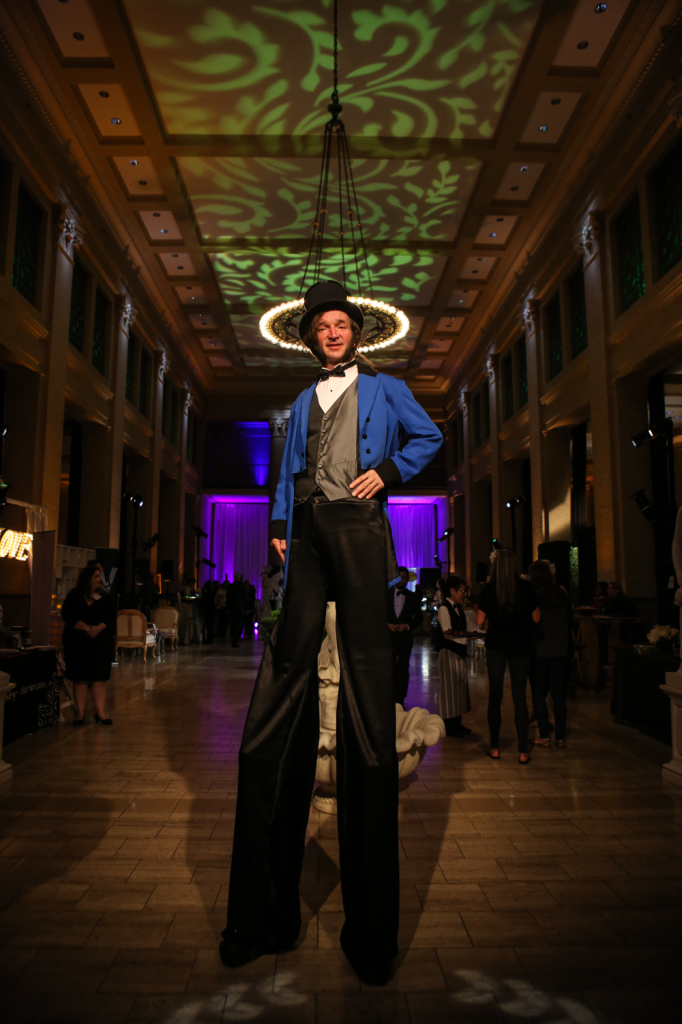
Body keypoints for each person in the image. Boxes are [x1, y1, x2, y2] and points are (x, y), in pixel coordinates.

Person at [221, 279, 442, 985]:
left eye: (343, 324)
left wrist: (386, 471)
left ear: (357, 332)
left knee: (368, 689)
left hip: (358, 528)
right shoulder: (298, 400)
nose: (334, 333)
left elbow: (429, 437)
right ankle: (264, 917)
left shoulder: (383, 387)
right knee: (287, 670)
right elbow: (286, 474)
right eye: (324, 326)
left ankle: (369, 937)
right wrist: (281, 528)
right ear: (312, 335)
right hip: (308, 535)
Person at [476, 548, 540, 764]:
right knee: (520, 698)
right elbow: (537, 618)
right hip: (521, 647)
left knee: (495, 696)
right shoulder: (526, 587)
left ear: (495, 566)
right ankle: (523, 752)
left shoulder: (489, 589)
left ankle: (495, 748)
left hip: (496, 646)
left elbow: (478, 621)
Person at [61, 565, 116, 725]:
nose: (100, 580)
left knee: (99, 678)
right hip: (78, 642)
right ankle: (80, 714)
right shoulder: (74, 596)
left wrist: (98, 628)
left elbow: (110, 617)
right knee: (81, 678)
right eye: (96, 577)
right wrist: (86, 628)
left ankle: (100, 713)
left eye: (100, 576)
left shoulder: (104, 598)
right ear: (87, 579)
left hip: (100, 643)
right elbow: (68, 615)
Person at [528, 560, 572, 749]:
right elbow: (570, 620)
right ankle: (560, 737)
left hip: (539, 650)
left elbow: (531, 623)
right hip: (561, 650)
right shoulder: (562, 594)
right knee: (559, 695)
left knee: (538, 693)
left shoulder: (534, 596)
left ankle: (544, 736)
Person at [437, 574, 472, 737]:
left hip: (458, 654)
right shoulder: (444, 608)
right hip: (449, 653)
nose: (463, 595)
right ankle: (449, 726)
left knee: (458, 689)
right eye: (461, 591)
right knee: (449, 691)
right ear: (452, 591)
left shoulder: (460, 610)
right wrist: (466, 638)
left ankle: (457, 724)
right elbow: (446, 632)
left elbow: (469, 627)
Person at [387, 566, 422, 706]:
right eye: (399, 577)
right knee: (389, 667)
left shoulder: (413, 597)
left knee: (403, 667)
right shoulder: (386, 594)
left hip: (405, 639)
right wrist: (387, 625)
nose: (401, 580)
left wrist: (407, 626)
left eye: (404, 578)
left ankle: (400, 698)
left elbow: (419, 618)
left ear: (408, 579)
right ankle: (389, 695)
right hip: (389, 638)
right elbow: (378, 614)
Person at [227, 573, 246, 647]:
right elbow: (245, 598)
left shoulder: (230, 586)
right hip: (240, 608)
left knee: (233, 624)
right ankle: (235, 640)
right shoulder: (243, 586)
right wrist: (246, 608)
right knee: (238, 625)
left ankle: (233, 639)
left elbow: (228, 598)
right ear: (240, 577)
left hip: (232, 608)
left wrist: (227, 608)